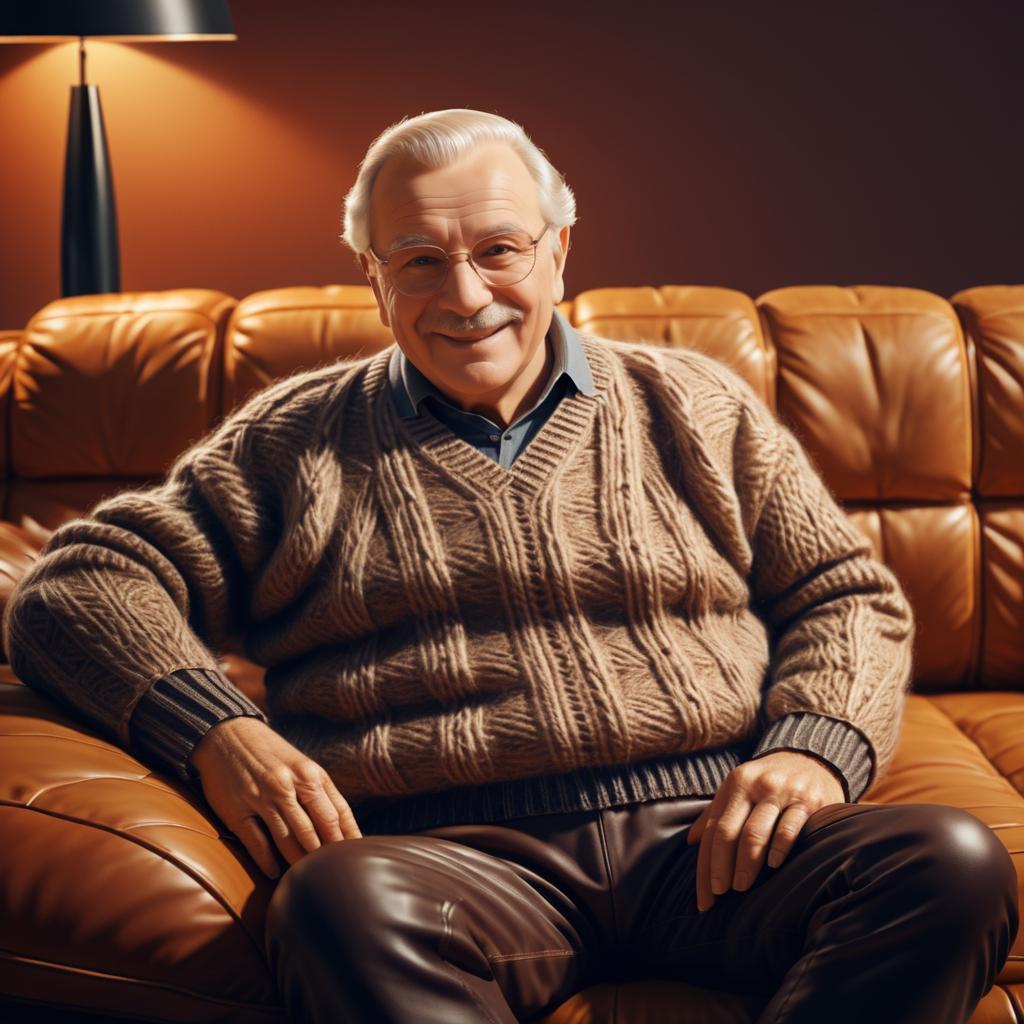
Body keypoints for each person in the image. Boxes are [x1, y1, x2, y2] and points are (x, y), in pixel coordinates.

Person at [3, 109, 1017, 1024]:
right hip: (454, 862)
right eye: (418, 261)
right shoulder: (291, 444)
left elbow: (844, 593)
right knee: (334, 903)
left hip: (713, 843)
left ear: (559, 251)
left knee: (949, 864)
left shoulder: (691, 405)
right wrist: (215, 733)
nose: (466, 295)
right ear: (372, 275)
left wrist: (815, 743)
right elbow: (77, 588)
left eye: (499, 251)